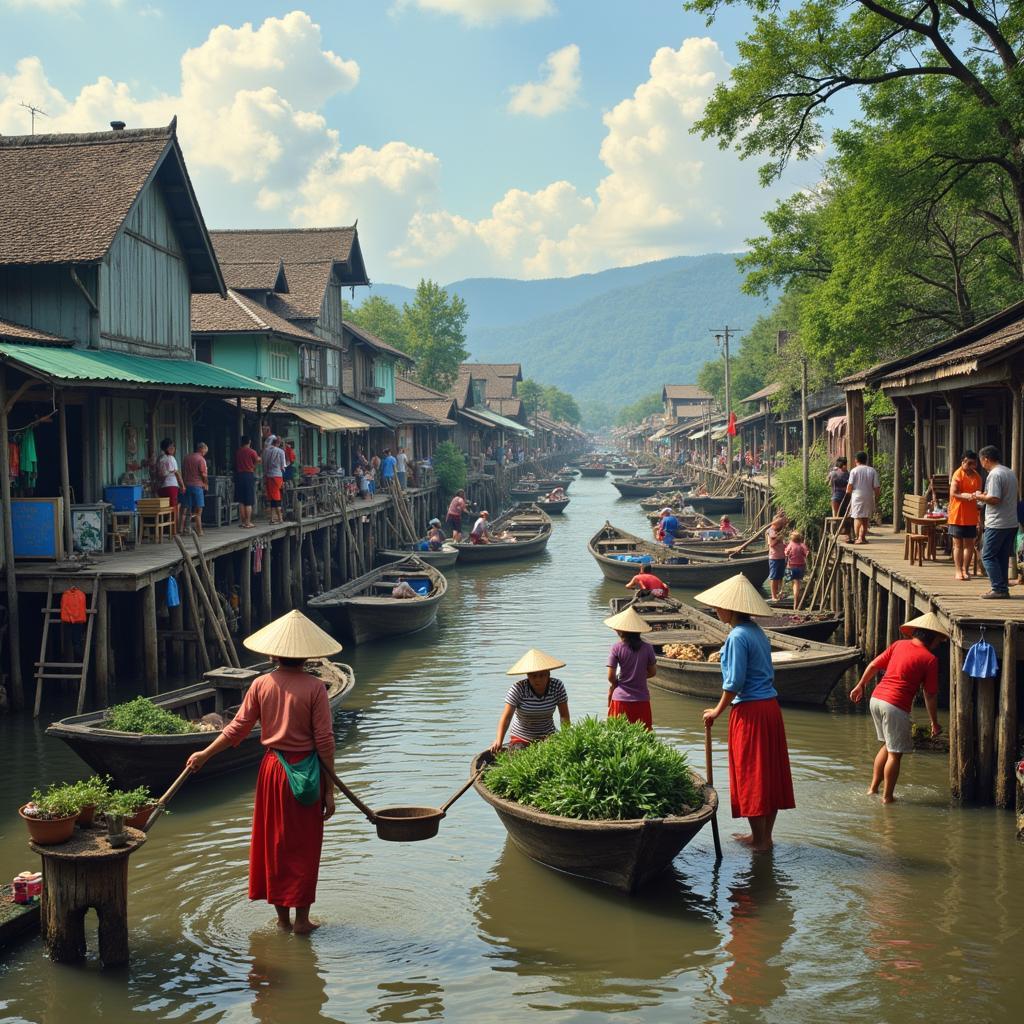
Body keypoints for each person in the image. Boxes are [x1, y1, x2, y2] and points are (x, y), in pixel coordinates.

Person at [184, 611, 340, 934]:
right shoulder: (315, 688)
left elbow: (236, 729)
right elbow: (324, 742)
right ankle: (302, 921)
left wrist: (205, 753)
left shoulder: (260, 684)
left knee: (277, 845)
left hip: (273, 772)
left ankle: (283, 922)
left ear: (272, 654)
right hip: (305, 772)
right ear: (306, 655)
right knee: (304, 847)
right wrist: (329, 789)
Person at [698, 574, 795, 853]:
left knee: (751, 774)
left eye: (719, 607)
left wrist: (716, 711)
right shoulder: (756, 632)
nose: (716, 611)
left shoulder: (737, 637)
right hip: (769, 709)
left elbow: (735, 682)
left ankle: (760, 840)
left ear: (730, 609)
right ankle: (764, 837)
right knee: (768, 774)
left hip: (751, 712)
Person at [849, 612, 945, 803]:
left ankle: (873, 789)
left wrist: (860, 685)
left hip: (876, 698)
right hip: (894, 705)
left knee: (886, 745)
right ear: (931, 637)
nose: (939, 644)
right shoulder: (929, 659)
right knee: (895, 753)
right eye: (939, 640)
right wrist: (934, 722)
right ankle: (887, 797)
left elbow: (874, 665)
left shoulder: (898, 644)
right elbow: (930, 694)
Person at [491, 649, 570, 751]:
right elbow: (506, 718)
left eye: (542, 675)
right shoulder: (518, 689)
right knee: (517, 753)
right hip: (521, 737)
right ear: (528, 676)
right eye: (534, 676)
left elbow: (564, 716)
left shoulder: (557, 686)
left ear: (548, 674)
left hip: (548, 734)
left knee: (555, 751)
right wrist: (499, 741)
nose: (538, 680)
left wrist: (567, 738)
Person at [975, 444, 1018, 598]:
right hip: (1011, 522)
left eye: (981, 461)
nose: (982, 464)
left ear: (986, 459)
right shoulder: (1009, 472)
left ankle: (998, 588)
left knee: (987, 555)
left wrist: (978, 496)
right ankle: (1003, 587)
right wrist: (985, 495)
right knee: (1001, 556)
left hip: (997, 523)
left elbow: (995, 499)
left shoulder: (994, 474)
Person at [604, 606, 657, 729]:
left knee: (618, 737)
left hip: (620, 699)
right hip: (641, 700)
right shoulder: (648, 648)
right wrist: (639, 676)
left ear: (621, 630)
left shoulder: (616, 648)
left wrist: (619, 682)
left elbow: (610, 677)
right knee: (643, 739)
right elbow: (652, 672)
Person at [948, 450, 982, 582]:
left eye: (973, 463)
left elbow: (978, 493)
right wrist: (964, 496)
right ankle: (958, 570)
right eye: (968, 463)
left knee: (969, 544)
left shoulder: (977, 477)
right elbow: (953, 493)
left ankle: (965, 570)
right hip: (957, 514)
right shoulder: (957, 474)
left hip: (971, 515)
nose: (971, 466)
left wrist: (977, 496)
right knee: (958, 545)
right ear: (963, 462)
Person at [846, 451, 880, 545]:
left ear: (856, 460)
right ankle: (862, 537)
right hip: (869, 496)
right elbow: (876, 487)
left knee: (857, 517)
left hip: (857, 496)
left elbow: (850, 486)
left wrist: (848, 492)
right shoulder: (872, 470)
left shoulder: (854, 470)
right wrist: (877, 497)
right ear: (866, 460)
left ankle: (858, 538)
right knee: (865, 518)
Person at [155, 438, 184, 533]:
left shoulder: (160, 459)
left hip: (161, 487)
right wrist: (182, 485)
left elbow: (158, 474)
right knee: (174, 508)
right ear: (166, 448)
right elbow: (176, 473)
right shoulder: (170, 458)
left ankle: (167, 529)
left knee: (166, 509)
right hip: (171, 486)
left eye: (173, 446)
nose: (173, 448)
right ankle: (174, 530)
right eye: (171, 447)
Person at [181, 441, 209, 536]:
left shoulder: (186, 458)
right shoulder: (201, 459)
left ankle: (184, 529)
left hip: (187, 486)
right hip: (197, 486)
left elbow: (183, 472)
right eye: (205, 451)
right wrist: (206, 483)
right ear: (202, 449)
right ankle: (199, 530)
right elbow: (203, 474)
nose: (205, 453)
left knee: (187, 509)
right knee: (198, 511)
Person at [235, 436, 261, 529]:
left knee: (241, 501)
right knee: (248, 501)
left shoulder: (238, 452)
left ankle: (242, 522)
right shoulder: (252, 451)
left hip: (239, 475)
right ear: (249, 442)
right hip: (248, 475)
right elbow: (258, 460)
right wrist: (254, 465)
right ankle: (248, 522)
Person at [262, 436, 287, 524]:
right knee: (277, 497)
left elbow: (264, 465)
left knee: (272, 497)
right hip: (277, 476)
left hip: (268, 476)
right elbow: (283, 467)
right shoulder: (281, 451)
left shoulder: (266, 451)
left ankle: (272, 518)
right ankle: (280, 518)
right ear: (278, 443)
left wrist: (265, 476)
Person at [765, 512, 789, 602]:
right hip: (774, 558)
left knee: (780, 577)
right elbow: (771, 544)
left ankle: (780, 593)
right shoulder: (771, 530)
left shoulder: (780, 530)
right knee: (774, 577)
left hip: (782, 556)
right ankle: (774, 596)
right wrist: (779, 538)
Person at [784, 530, 809, 606]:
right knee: (797, 583)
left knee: (793, 582)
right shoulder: (802, 545)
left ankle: (795, 600)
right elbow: (807, 553)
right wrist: (803, 556)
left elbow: (786, 553)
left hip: (791, 566)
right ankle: (796, 599)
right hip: (800, 566)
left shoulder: (790, 544)